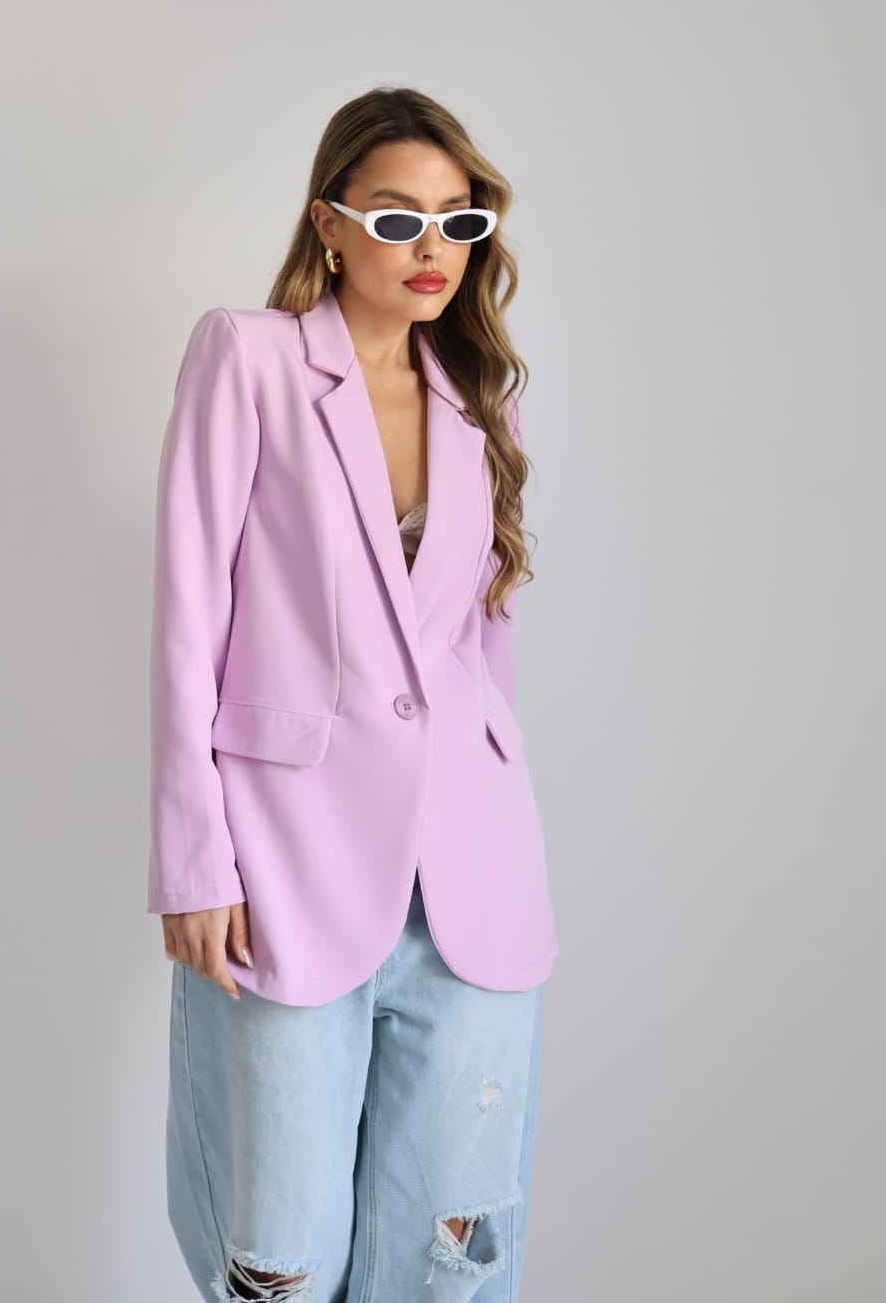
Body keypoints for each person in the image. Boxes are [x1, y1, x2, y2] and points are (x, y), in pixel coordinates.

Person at [147, 86, 559, 1301]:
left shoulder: (482, 398)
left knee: (449, 1257)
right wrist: (192, 861)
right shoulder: (250, 359)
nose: (431, 246)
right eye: (394, 217)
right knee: (279, 1259)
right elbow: (188, 621)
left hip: (472, 882)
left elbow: (479, 652)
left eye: (457, 220)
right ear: (329, 224)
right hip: (286, 870)